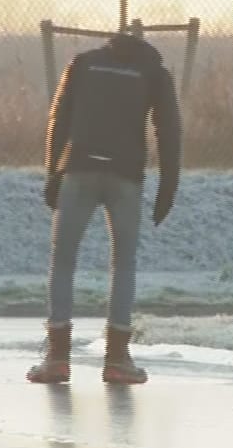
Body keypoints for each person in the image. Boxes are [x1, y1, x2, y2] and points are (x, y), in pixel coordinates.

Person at [29, 25, 182, 386]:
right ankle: (117, 360)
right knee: (123, 263)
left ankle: (57, 357)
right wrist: (168, 186)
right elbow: (169, 130)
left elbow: (58, 119)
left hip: (79, 169)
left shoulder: (83, 63)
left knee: (63, 260)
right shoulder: (154, 72)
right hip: (125, 175)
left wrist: (53, 171)